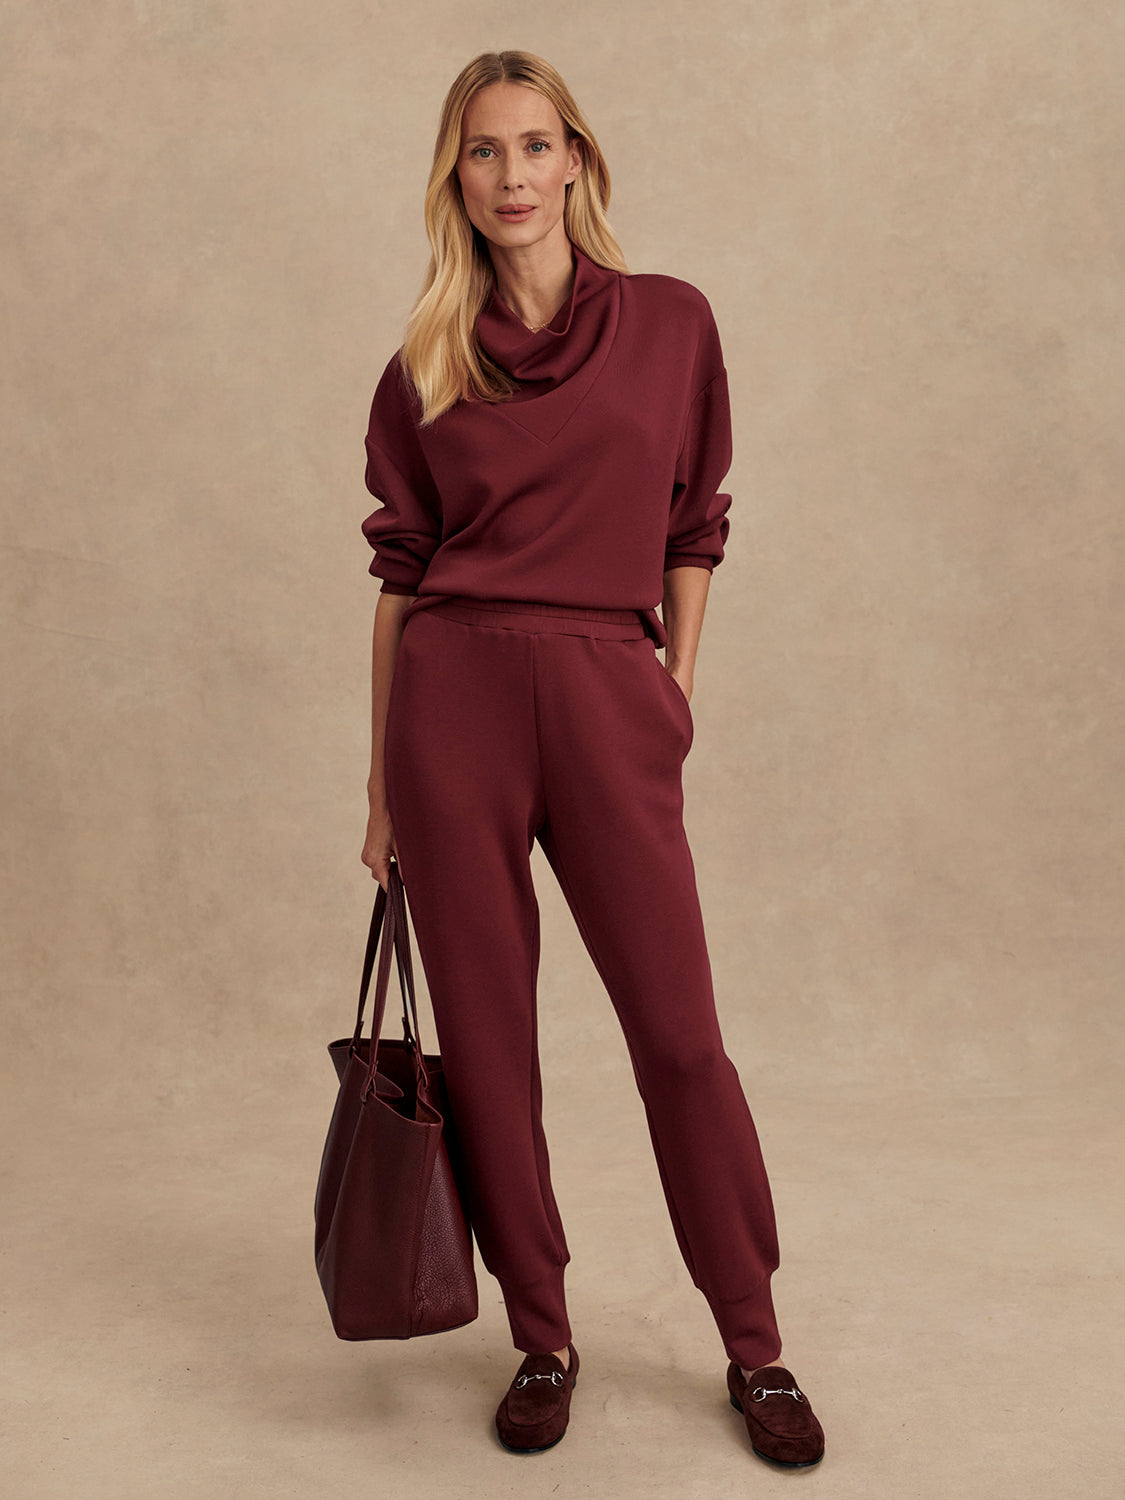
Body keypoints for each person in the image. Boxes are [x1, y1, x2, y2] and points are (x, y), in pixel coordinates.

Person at [358, 49, 825, 1468]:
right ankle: (542, 1337)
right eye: (482, 152)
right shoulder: (426, 362)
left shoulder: (670, 323)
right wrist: (380, 782)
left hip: (606, 694)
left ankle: (755, 1344)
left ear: (577, 161)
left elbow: (694, 521)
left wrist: (672, 686)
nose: (511, 175)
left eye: (533, 145)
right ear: (456, 179)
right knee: (491, 1044)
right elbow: (399, 573)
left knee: (678, 1037)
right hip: (453, 704)